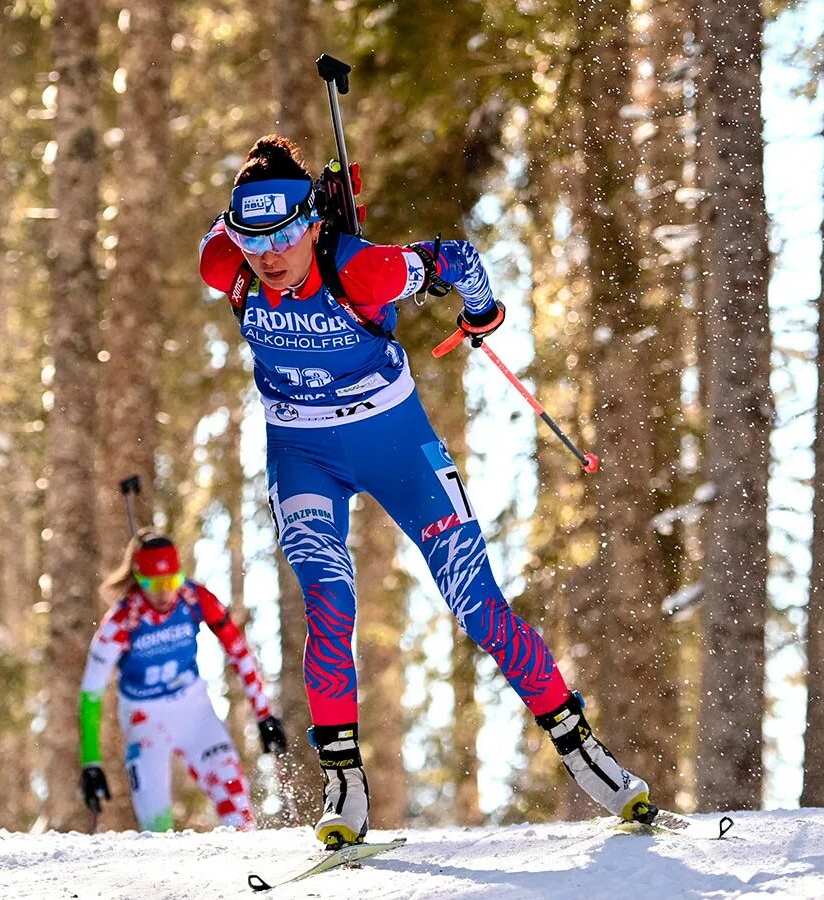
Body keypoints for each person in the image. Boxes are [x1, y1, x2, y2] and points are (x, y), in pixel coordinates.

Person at [199, 135, 654, 848]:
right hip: (301, 452)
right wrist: (270, 207)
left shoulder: (364, 270)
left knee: (478, 605)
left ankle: (582, 748)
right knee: (329, 598)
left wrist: (483, 313)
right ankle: (344, 784)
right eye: (252, 236)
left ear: (315, 221)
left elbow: (459, 260)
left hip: (397, 447)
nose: (270, 254)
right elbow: (231, 236)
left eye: (286, 232)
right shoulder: (226, 264)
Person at [78, 530, 287, 832]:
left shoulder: (193, 598)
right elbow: (91, 694)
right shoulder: (123, 620)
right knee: (156, 825)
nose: (164, 593)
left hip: (193, 710)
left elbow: (238, 650)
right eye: (153, 584)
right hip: (145, 719)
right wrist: (91, 762)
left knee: (236, 801)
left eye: (171, 581)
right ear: (138, 580)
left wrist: (264, 713)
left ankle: (249, 862)